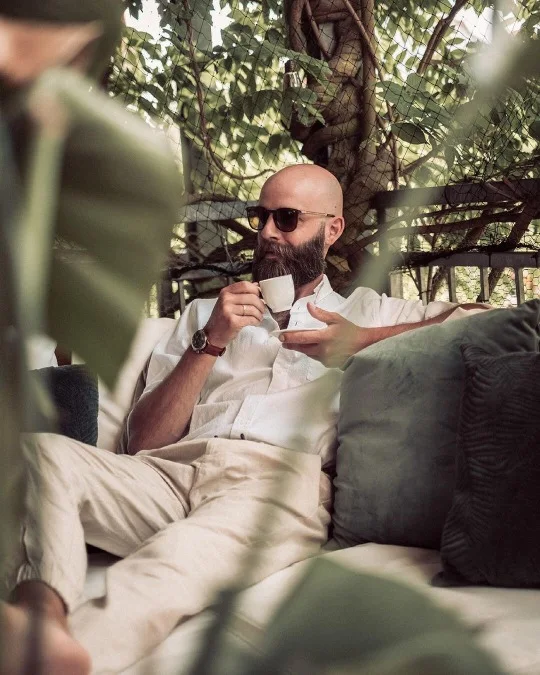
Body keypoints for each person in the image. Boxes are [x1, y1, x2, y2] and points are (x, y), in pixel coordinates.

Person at [0, 164, 486, 675]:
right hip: (168, 473)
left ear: (332, 229)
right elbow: (142, 441)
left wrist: (360, 341)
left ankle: (54, 659)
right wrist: (210, 342)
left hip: (274, 483)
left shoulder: (369, 311)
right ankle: (40, 617)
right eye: (261, 217)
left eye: (287, 218)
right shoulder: (205, 315)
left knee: (175, 562)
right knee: (37, 453)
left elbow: (487, 319)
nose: (268, 232)